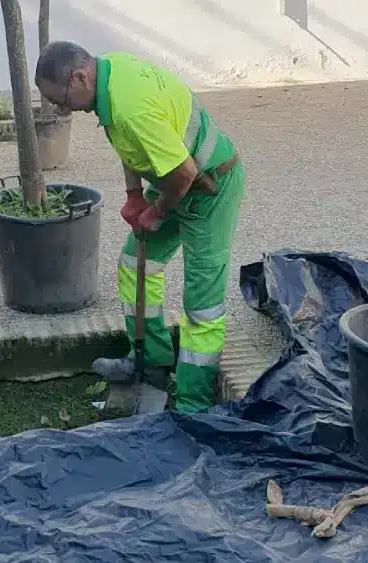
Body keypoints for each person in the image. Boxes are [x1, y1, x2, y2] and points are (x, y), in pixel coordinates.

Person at [34, 41, 246, 414]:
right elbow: (129, 144)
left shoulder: (130, 106)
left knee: (202, 303)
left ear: (80, 76)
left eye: (63, 100)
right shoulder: (109, 77)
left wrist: (158, 212)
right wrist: (135, 195)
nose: (64, 109)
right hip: (175, 182)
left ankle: (194, 406)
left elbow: (185, 172)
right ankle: (150, 364)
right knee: (135, 265)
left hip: (210, 188)